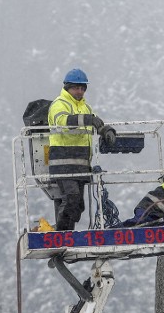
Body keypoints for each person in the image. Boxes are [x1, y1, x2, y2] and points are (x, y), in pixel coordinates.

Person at [48, 68, 116, 231]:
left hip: (81, 165)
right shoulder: (59, 104)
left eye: (82, 88)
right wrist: (89, 120)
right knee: (71, 198)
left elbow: (95, 123)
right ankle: (62, 235)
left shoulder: (86, 107)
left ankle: (65, 231)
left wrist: (106, 130)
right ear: (67, 87)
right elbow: (63, 122)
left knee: (78, 206)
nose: (79, 91)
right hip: (63, 164)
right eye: (76, 88)